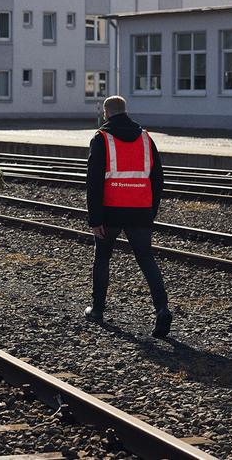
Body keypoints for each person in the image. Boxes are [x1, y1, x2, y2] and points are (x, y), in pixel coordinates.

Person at [85, 95, 173, 338]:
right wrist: (150, 210)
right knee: (146, 258)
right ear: (125, 111)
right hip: (140, 209)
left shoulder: (102, 138)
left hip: (110, 210)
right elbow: (158, 179)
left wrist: (95, 219)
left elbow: (93, 182)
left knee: (102, 258)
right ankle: (162, 308)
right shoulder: (146, 138)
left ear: (106, 113)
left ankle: (98, 310)